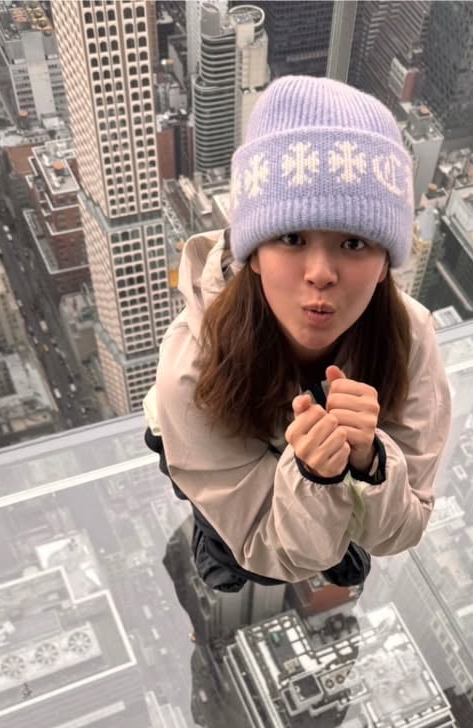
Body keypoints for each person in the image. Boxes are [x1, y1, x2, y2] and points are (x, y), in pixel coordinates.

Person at [143, 75, 453, 593]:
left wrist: (368, 462)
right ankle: (215, 535)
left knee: (335, 542)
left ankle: (330, 524)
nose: (321, 273)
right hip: (209, 441)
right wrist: (315, 477)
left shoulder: (411, 339)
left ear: (385, 264)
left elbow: (406, 524)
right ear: (252, 254)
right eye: (291, 237)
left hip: (307, 470)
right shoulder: (192, 373)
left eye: (353, 243)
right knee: (231, 556)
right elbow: (261, 542)